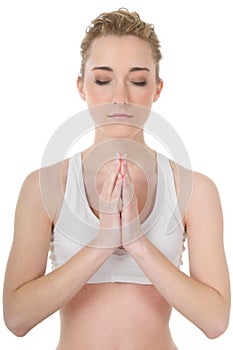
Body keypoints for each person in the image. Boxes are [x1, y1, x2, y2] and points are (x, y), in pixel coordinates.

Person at [3, 8, 230, 350]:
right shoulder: (43, 187)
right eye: (103, 80)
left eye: (138, 81)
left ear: (157, 88)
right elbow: (17, 318)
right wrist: (104, 241)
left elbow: (215, 322)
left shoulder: (195, 190)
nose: (120, 98)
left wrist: (137, 242)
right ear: (81, 86)